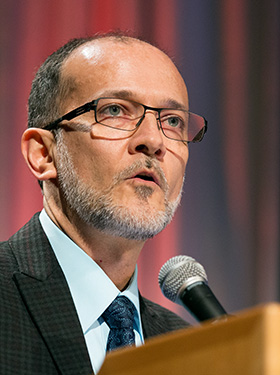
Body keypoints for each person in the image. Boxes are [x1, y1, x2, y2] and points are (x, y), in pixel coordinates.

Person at [0, 33, 207, 374]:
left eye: (172, 121)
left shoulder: (190, 352)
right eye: (115, 110)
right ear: (43, 154)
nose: (153, 141)